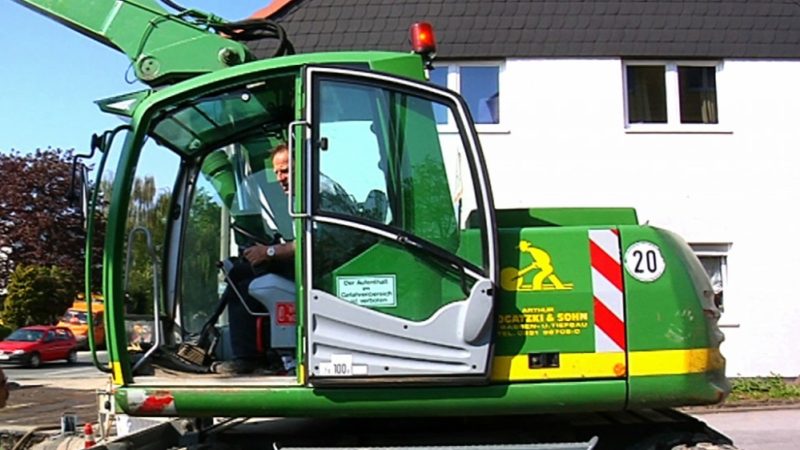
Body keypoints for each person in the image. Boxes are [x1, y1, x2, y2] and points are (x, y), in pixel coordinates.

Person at [212, 144, 296, 375]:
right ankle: (257, 355)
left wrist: (268, 252)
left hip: (317, 273)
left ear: (304, 164)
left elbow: (314, 243)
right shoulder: (298, 201)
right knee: (241, 271)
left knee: (245, 283)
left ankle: (250, 357)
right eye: (277, 173)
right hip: (307, 267)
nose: (281, 178)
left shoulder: (318, 196)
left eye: (286, 171)